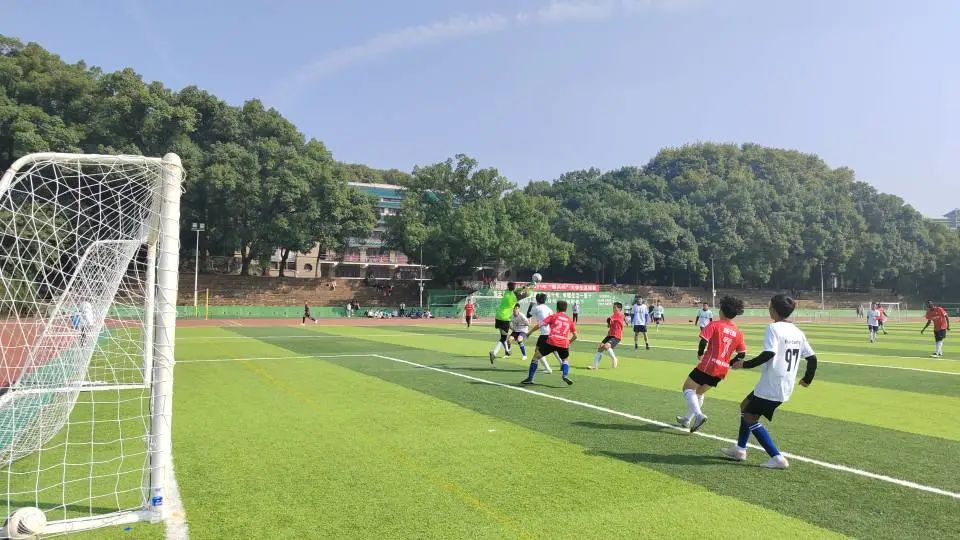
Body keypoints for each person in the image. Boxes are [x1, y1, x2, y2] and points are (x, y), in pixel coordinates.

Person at [721, 294, 818, 469]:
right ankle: (740, 449)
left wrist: (744, 364)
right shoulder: (797, 331)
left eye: (769, 305)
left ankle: (777, 458)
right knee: (745, 405)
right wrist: (807, 379)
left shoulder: (773, 328)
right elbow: (812, 358)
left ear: (773, 309)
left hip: (772, 384)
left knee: (750, 417)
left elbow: (769, 354)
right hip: (784, 384)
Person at [676, 296, 746, 432]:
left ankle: (698, 415)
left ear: (722, 311)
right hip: (722, 370)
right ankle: (687, 419)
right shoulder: (738, 332)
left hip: (709, 364)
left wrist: (700, 353)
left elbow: (704, 340)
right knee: (699, 392)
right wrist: (728, 363)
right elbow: (742, 354)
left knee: (687, 388)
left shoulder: (715, 324)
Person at [523, 300, 577, 386]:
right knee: (565, 360)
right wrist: (569, 342)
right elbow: (575, 336)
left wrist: (530, 332)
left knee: (536, 357)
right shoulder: (569, 320)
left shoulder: (553, 316)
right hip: (564, 343)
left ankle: (530, 378)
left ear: (557, 308)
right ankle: (565, 375)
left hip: (552, 341)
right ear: (566, 309)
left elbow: (539, 325)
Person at [489, 282, 533, 364]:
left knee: (503, 336)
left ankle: (507, 351)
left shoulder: (506, 292)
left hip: (498, 316)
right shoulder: (515, 297)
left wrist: (524, 287)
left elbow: (516, 290)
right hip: (505, 318)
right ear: (514, 288)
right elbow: (528, 294)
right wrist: (530, 287)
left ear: (508, 287)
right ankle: (494, 353)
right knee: (503, 338)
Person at [591, 302, 624, 369]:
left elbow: (610, 319)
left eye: (615, 307)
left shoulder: (619, 315)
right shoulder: (613, 315)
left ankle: (614, 359)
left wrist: (609, 321)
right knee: (600, 348)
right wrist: (609, 324)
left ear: (619, 309)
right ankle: (595, 366)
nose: (613, 309)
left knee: (606, 346)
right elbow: (609, 324)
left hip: (616, 336)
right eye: (613, 307)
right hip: (610, 335)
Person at [528, 293, 556, 374]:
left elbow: (528, 315)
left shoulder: (537, 307)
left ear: (537, 300)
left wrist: (531, 305)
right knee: (554, 349)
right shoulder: (549, 309)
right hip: (551, 332)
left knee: (537, 351)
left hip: (544, 333)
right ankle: (562, 364)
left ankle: (548, 369)